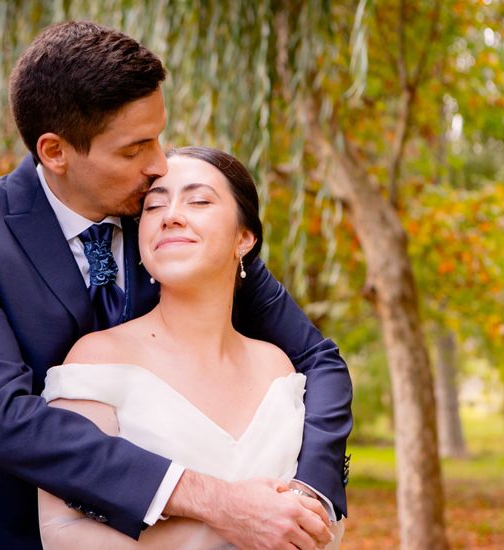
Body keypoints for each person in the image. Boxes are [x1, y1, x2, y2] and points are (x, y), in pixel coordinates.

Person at [0, 20, 352, 549]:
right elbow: (2, 416)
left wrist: (312, 491)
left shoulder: (172, 218)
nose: (158, 166)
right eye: (134, 150)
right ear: (55, 152)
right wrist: (216, 499)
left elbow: (319, 361)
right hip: (17, 532)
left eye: (158, 137)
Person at [38, 146, 345, 549]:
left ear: (245, 238)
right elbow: (63, 531)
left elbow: (325, 525)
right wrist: (231, 521)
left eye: (199, 200)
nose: (171, 216)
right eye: (153, 207)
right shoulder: (98, 359)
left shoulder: (278, 367)